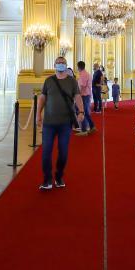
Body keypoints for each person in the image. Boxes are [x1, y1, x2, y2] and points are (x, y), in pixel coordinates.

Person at [36, 57, 83, 190]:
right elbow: (42, 97)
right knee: (46, 152)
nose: (61, 64)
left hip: (65, 124)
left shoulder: (72, 81)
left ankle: (58, 176)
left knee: (63, 152)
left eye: (63, 63)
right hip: (49, 123)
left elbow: (77, 96)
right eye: (58, 63)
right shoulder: (49, 80)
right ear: (54, 65)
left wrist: (81, 111)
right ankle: (47, 180)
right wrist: (38, 114)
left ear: (66, 65)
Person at [76, 60, 95, 134]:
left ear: (78, 67)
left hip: (83, 95)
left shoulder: (83, 74)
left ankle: (84, 130)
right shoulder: (86, 73)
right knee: (85, 112)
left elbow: (82, 86)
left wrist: (78, 95)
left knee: (82, 111)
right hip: (86, 95)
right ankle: (91, 126)